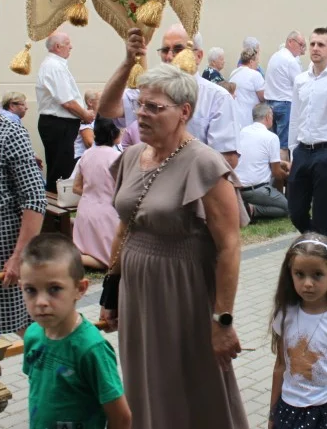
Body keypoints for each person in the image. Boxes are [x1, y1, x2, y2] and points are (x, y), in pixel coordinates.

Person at [101, 64, 248, 429]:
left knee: (189, 384)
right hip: (138, 292)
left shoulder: (203, 163)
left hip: (182, 292)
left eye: (155, 107)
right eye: (142, 105)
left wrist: (222, 320)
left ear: (184, 112)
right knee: (143, 378)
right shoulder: (134, 156)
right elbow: (126, 226)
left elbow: (230, 245)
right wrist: (110, 291)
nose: (143, 114)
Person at [20, 234, 132, 429]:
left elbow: (121, 417)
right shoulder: (32, 335)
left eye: (54, 289)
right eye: (31, 290)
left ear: (80, 288)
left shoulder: (91, 349)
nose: (41, 302)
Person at [99, 25, 242, 169]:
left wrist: (177, 176)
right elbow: (107, 109)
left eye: (178, 50)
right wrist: (128, 63)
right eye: (165, 50)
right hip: (151, 180)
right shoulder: (151, 91)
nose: (169, 56)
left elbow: (227, 159)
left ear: (198, 56)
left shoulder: (217, 98)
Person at [268, 234, 327, 429]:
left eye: (317, 275)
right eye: (300, 274)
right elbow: (280, 367)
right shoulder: (284, 315)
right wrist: (272, 415)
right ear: (290, 273)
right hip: (290, 410)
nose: (308, 283)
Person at [0, 107, 47, 335]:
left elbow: (35, 198)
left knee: (18, 326)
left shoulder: (9, 133)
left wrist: (19, 256)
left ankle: (46, 367)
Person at [288, 28, 327, 237]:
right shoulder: (300, 80)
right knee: (296, 211)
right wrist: (291, 150)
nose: (315, 48)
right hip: (303, 151)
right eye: (313, 43)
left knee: (323, 214)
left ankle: (321, 252)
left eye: (321, 45)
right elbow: (295, 116)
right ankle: (318, 243)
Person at [36, 32, 95, 192]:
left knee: (60, 167)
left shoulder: (55, 65)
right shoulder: (54, 67)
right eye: (68, 43)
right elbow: (67, 102)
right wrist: (85, 115)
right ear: (57, 46)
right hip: (58, 124)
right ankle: (56, 211)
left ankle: (55, 210)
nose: (71, 46)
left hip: (60, 124)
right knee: (61, 171)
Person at [72, 118, 122, 270]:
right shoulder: (117, 157)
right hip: (107, 215)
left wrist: (93, 193)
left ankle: (79, 257)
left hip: (85, 212)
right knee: (113, 260)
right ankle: (78, 259)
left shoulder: (86, 155)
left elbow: (76, 187)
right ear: (116, 134)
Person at [234, 103, 289, 219]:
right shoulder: (271, 137)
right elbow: (276, 173)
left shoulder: (242, 131)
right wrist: (289, 175)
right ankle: (252, 210)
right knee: (288, 208)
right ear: (268, 116)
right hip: (256, 189)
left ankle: (245, 206)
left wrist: (282, 163)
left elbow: (258, 157)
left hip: (237, 188)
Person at [264, 31, 306, 157]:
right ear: (290, 42)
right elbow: (300, 85)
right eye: (301, 45)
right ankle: (284, 175)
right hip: (285, 104)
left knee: (274, 143)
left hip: (270, 104)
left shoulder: (275, 56)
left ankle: (276, 171)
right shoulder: (290, 61)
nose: (302, 49)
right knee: (284, 145)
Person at [229, 47, 266, 128]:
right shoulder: (255, 75)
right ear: (251, 62)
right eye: (257, 62)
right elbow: (263, 97)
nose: (258, 65)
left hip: (236, 117)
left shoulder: (233, 73)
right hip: (250, 118)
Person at [74, 90, 101, 163]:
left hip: (95, 157)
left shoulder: (100, 119)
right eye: (101, 99)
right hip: (83, 159)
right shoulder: (85, 119)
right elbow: (89, 143)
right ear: (90, 102)